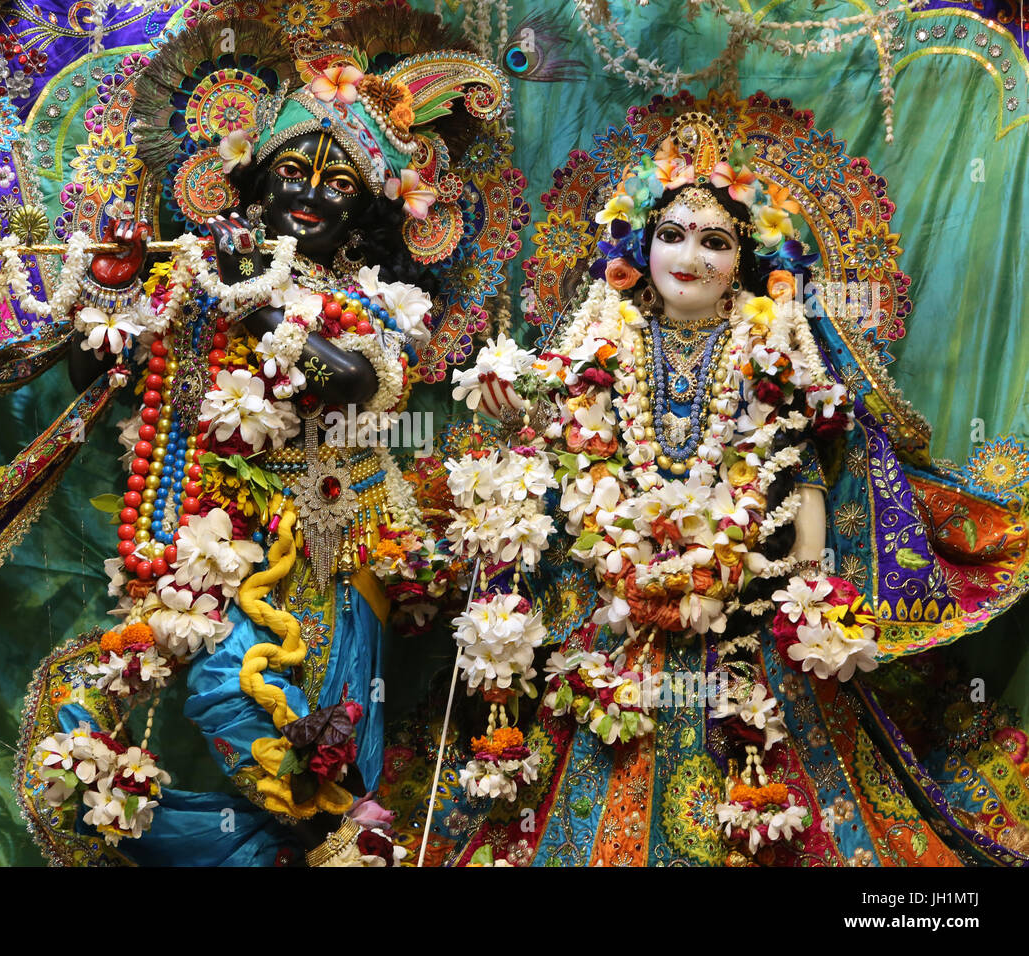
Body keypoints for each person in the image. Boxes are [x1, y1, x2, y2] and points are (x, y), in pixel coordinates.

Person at [380, 106, 1029, 867]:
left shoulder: (774, 344)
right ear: (638, 248)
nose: (690, 255)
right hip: (615, 599)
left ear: (746, 261)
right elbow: (551, 450)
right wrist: (513, 411)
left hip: (744, 598)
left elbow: (804, 463)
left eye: (716, 241)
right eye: (673, 235)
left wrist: (811, 584)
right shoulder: (602, 334)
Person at [16, 4, 516, 866]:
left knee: (325, 741)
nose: (309, 194)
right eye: (293, 172)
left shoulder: (368, 299)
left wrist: (267, 291)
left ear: (368, 214)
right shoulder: (198, 271)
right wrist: (103, 285)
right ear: (252, 178)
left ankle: (326, 842)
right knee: (218, 700)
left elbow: (357, 380)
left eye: (338, 184)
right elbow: (100, 371)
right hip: (207, 537)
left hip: (330, 542)